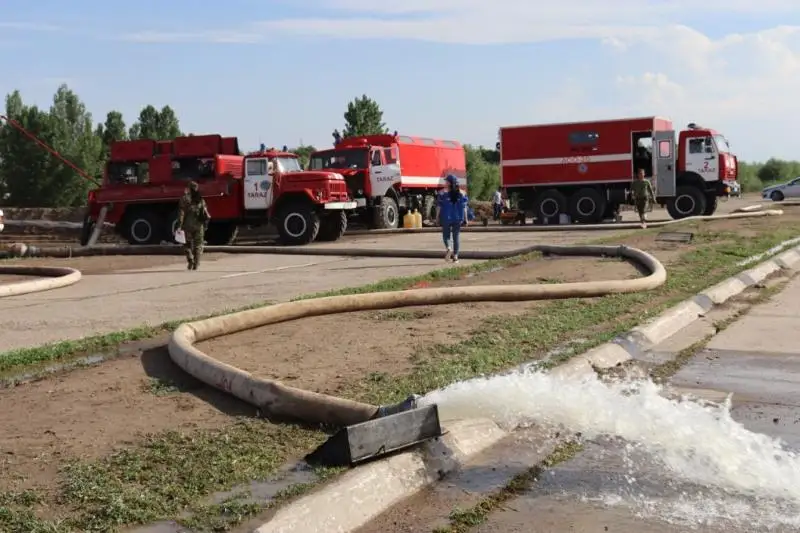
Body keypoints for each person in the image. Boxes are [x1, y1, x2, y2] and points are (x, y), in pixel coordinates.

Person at [435, 174, 469, 263]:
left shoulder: (442, 193)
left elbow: (439, 207)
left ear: (449, 183)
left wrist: (437, 218)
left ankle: (449, 248)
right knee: (456, 237)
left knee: (446, 236)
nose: (445, 182)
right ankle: (456, 257)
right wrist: (466, 219)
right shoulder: (463, 193)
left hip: (446, 217)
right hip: (458, 218)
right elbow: (464, 207)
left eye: (446, 181)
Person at [177, 181, 211, 270]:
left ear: (188, 188)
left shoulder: (184, 199)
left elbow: (181, 214)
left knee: (186, 244)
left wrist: (179, 226)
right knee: (198, 245)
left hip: (187, 226)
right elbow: (206, 214)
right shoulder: (201, 199)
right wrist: (205, 225)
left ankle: (190, 260)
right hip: (199, 226)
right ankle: (196, 263)